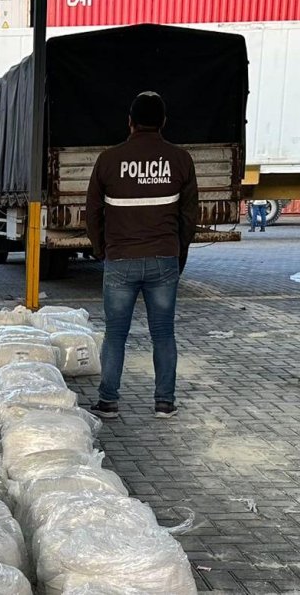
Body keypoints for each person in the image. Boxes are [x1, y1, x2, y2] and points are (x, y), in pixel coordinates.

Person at [85, 92, 198, 419]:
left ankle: (108, 401)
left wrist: (100, 248)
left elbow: (92, 211)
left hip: (120, 259)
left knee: (115, 334)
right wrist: (180, 253)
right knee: (163, 333)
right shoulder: (180, 160)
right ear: (163, 122)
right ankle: (165, 402)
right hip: (164, 259)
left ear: (130, 122)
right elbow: (189, 215)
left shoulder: (108, 159)